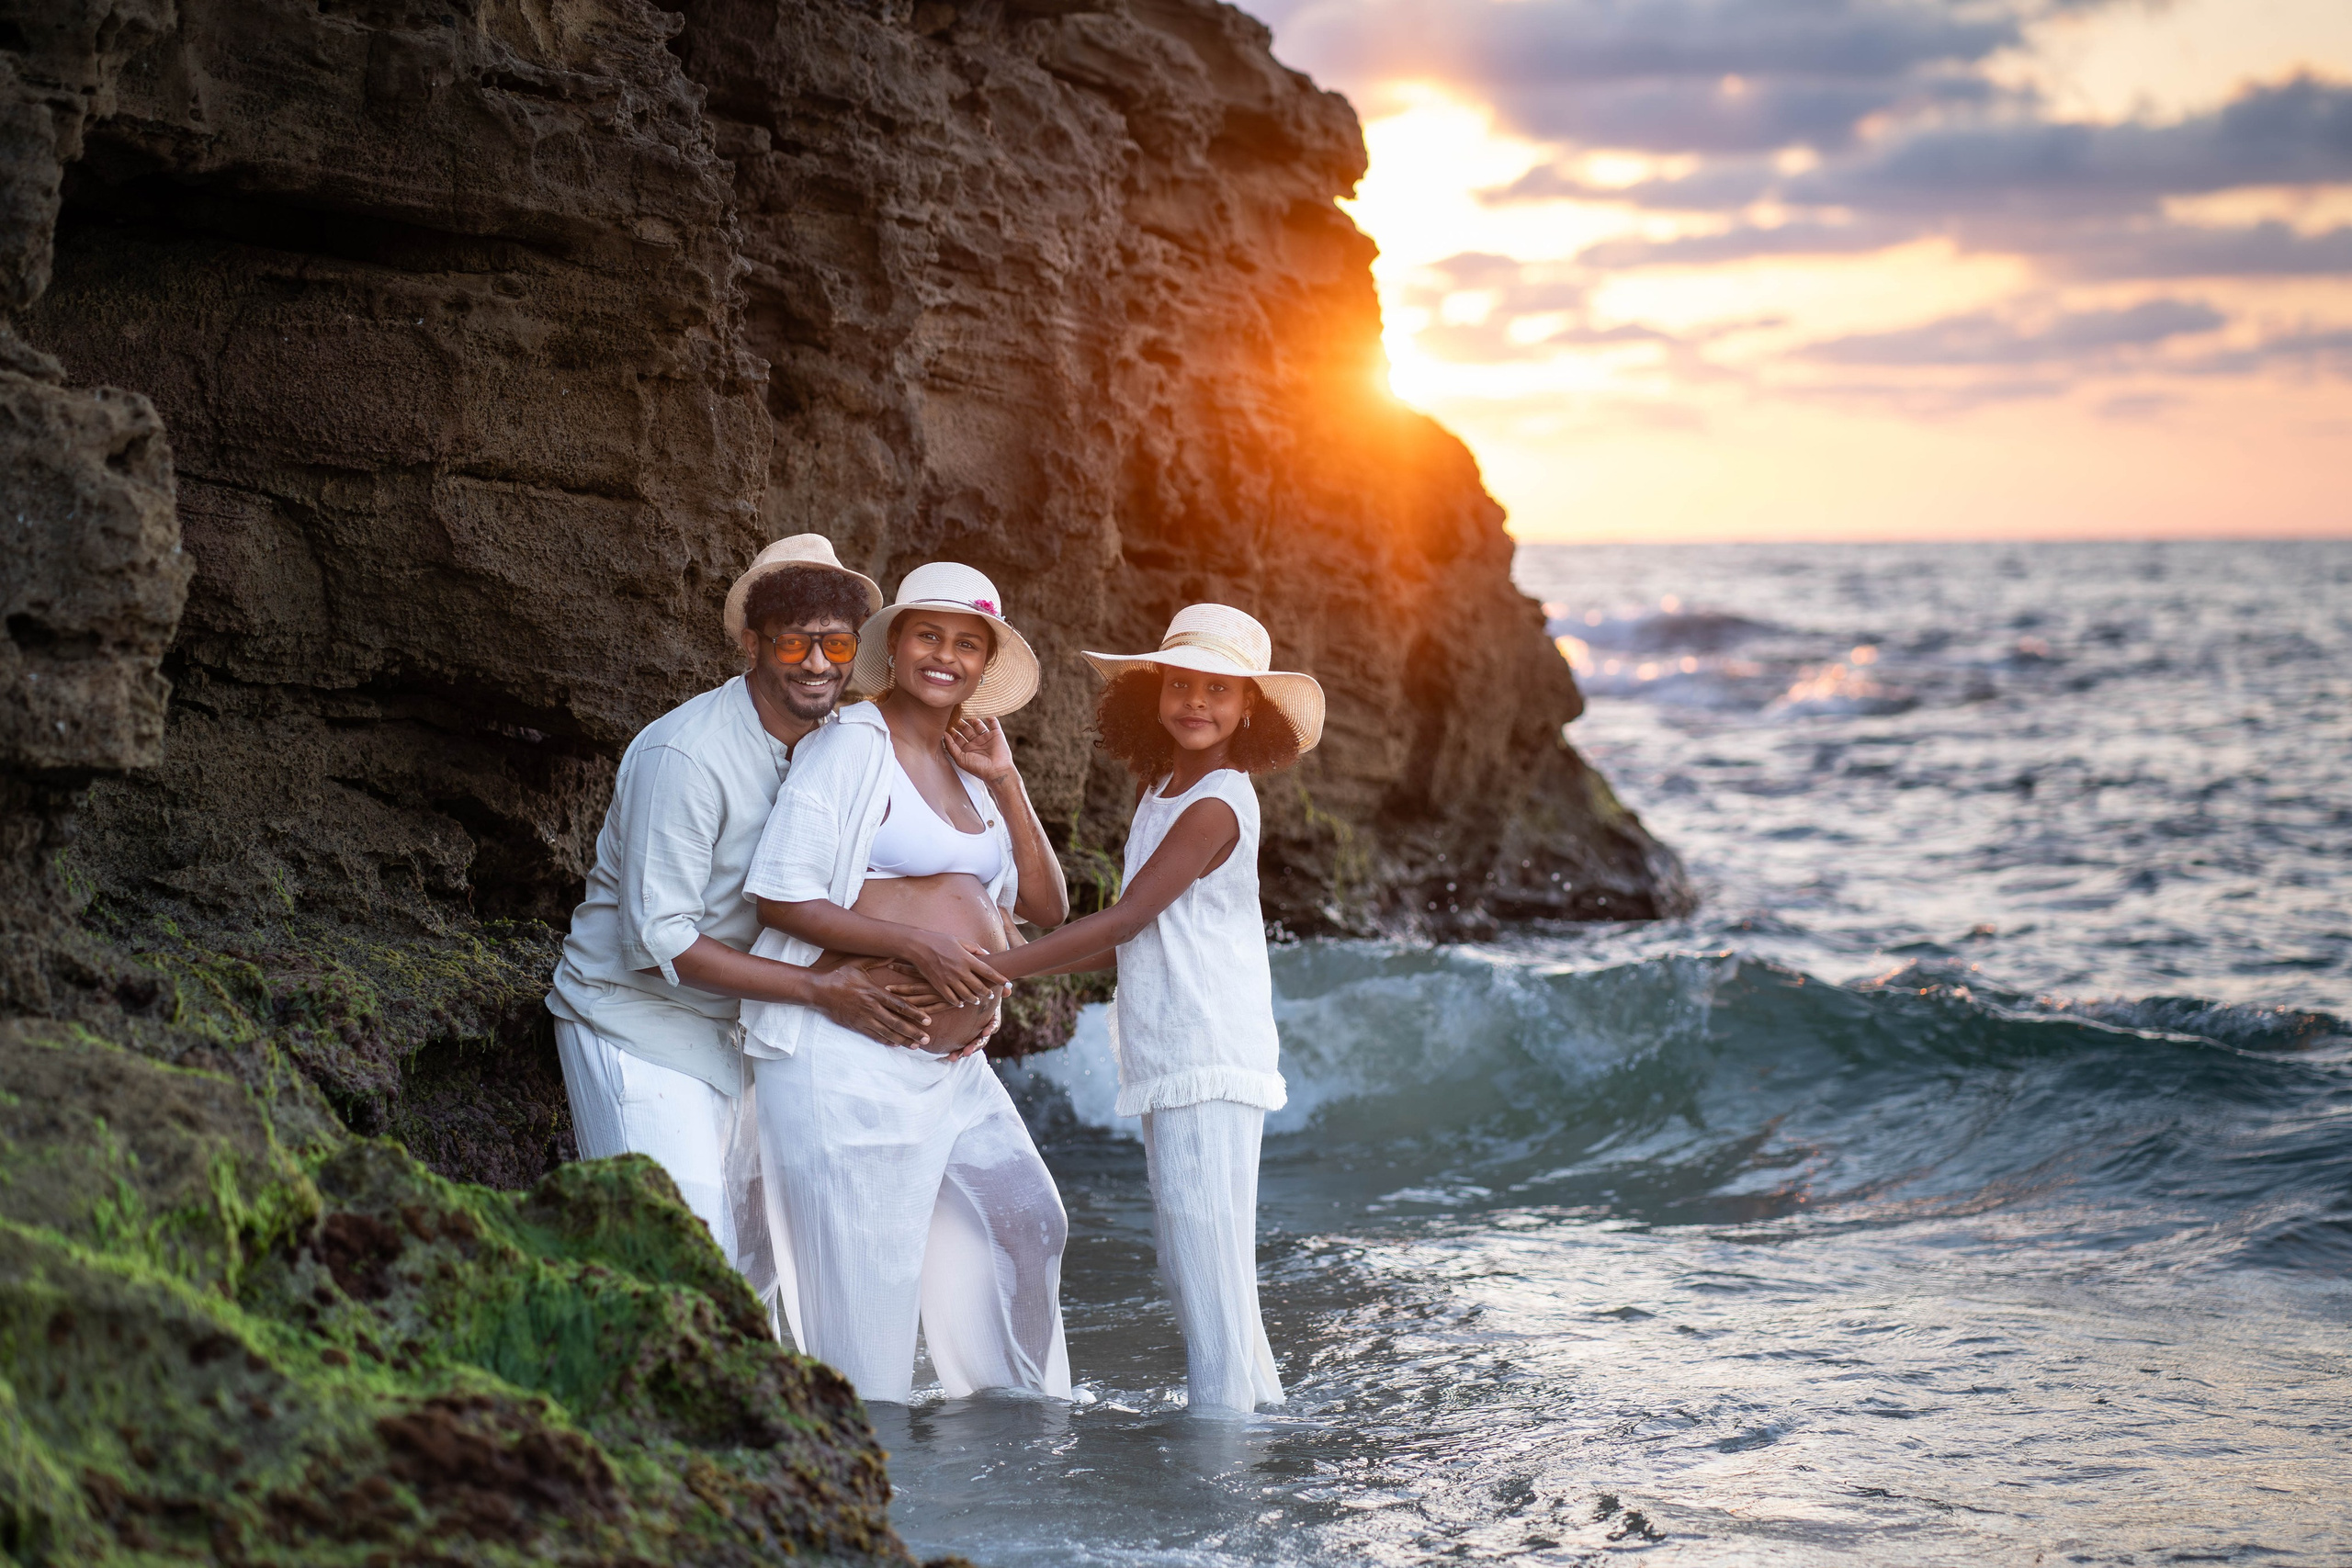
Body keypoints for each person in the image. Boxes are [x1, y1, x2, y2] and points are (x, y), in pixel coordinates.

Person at [544, 535, 936, 1312]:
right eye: (793, 640)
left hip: (757, 1031)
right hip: (640, 1024)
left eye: (835, 642)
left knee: (759, 1281)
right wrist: (824, 991)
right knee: (676, 1269)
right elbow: (662, 942)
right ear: (753, 643)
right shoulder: (685, 755)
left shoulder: (846, 743)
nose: (818, 663)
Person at [739, 561, 1076, 1404]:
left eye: (968, 644)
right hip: (850, 1061)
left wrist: (1008, 780)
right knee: (868, 1312)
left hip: (954, 1069)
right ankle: (858, 1484)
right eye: (929, 634)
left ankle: (1018, 1447)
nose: (945, 656)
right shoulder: (856, 741)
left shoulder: (971, 761)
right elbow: (780, 890)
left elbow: (1047, 905)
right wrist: (917, 949)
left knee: (1028, 1224)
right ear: (895, 643)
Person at [973, 603, 1321, 1413]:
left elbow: (1126, 919)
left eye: (1218, 689)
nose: (1194, 702)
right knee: (1207, 1265)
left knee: (1203, 1268)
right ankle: (1253, 1428)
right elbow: (1134, 941)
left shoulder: (1215, 803)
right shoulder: (1166, 786)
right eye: (1179, 683)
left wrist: (994, 964)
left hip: (1207, 1051)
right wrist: (1011, 972)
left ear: (1249, 710)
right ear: (1154, 693)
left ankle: (1217, 1463)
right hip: (1181, 1049)